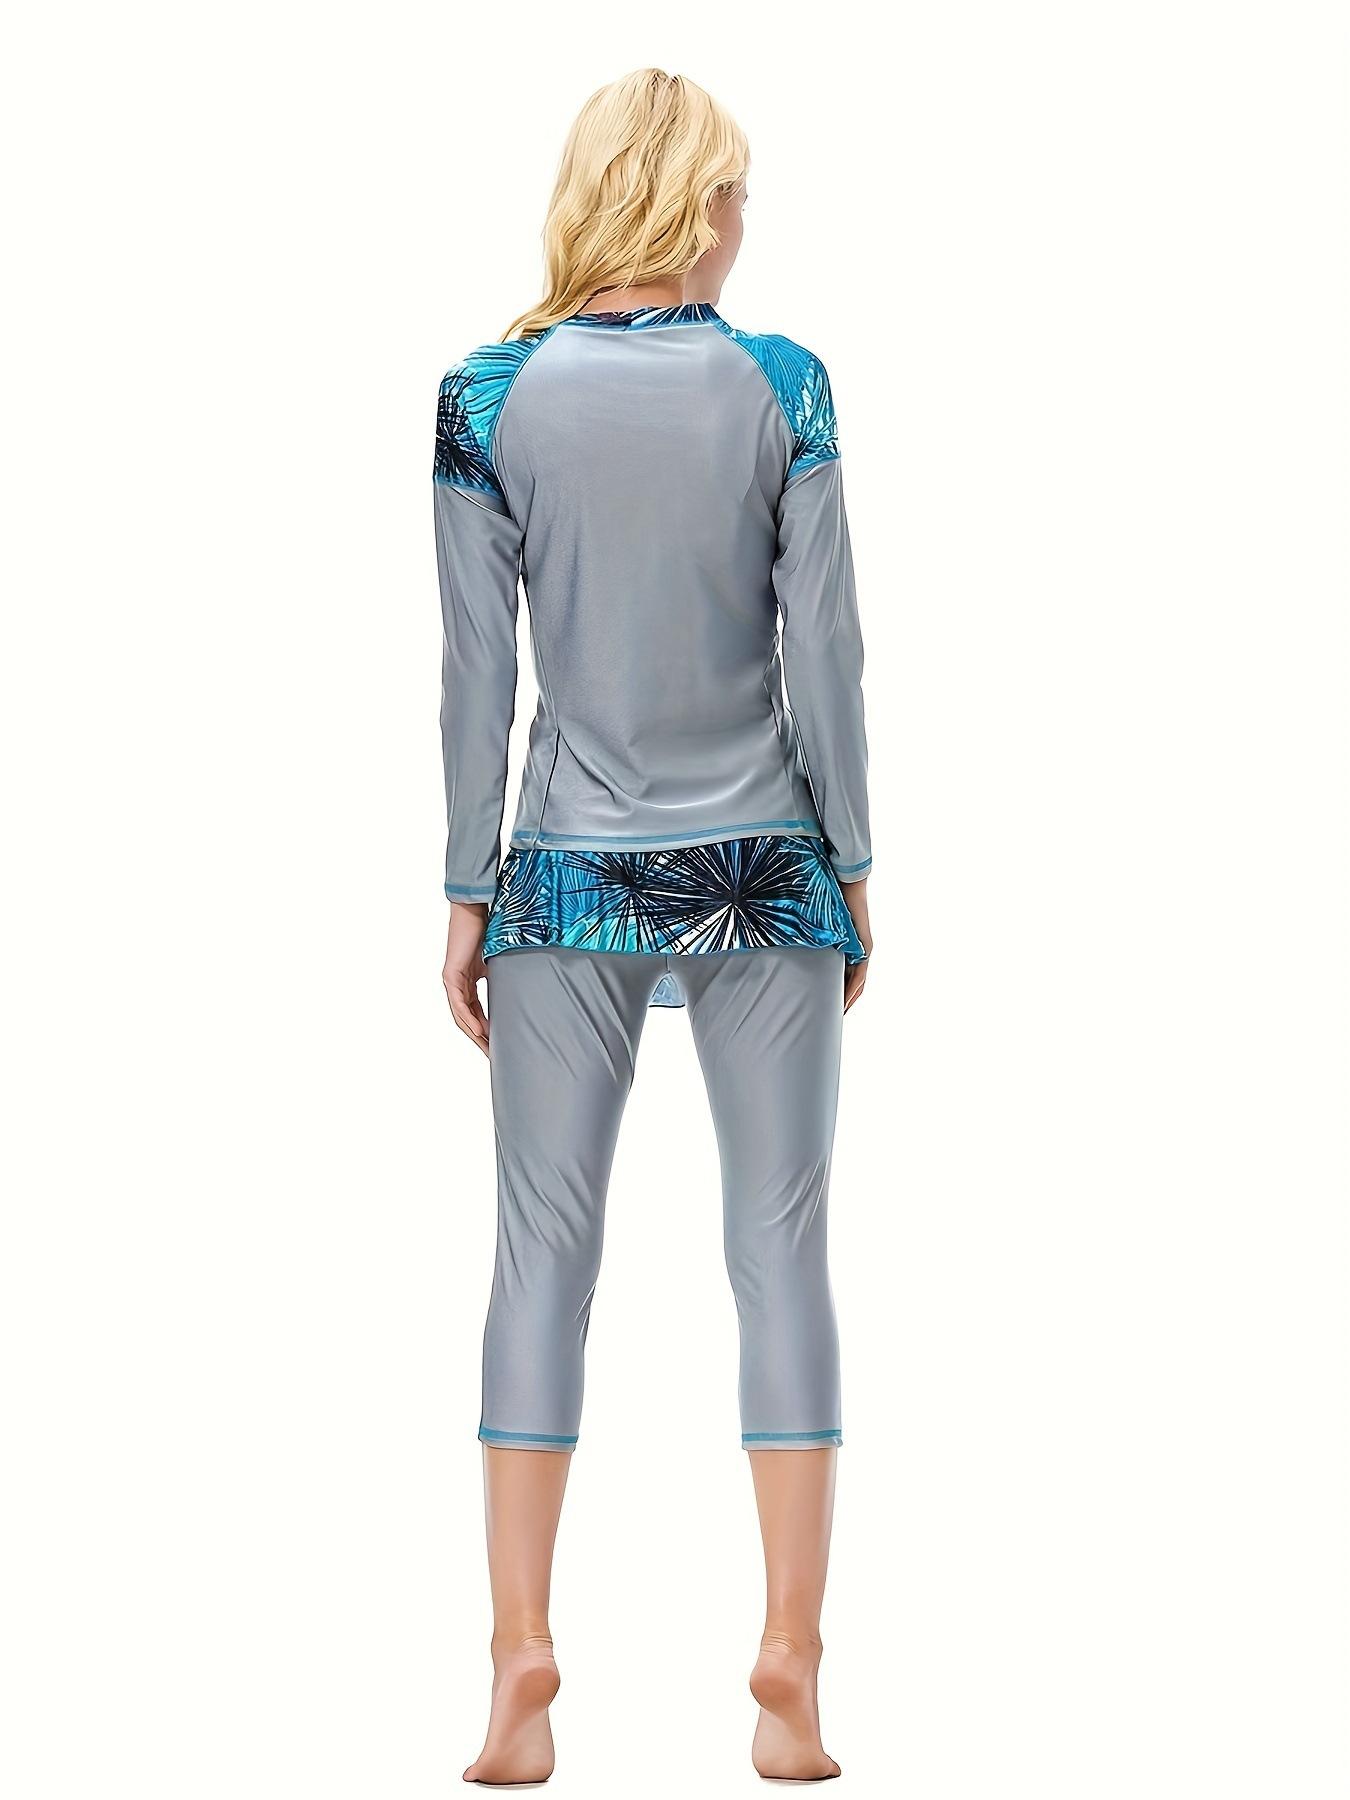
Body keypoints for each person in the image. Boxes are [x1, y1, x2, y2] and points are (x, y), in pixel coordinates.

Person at [434, 67, 872, 1784]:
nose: (744, 223)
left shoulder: (488, 398)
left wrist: (466, 888)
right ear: (689, 206)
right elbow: (825, 648)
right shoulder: (782, 385)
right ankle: (790, 1661)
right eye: (735, 193)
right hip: (764, 863)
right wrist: (852, 861)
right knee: (781, 1248)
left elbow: (477, 675)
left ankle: (519, 1655)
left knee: (539, 1255)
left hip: (558, 875)